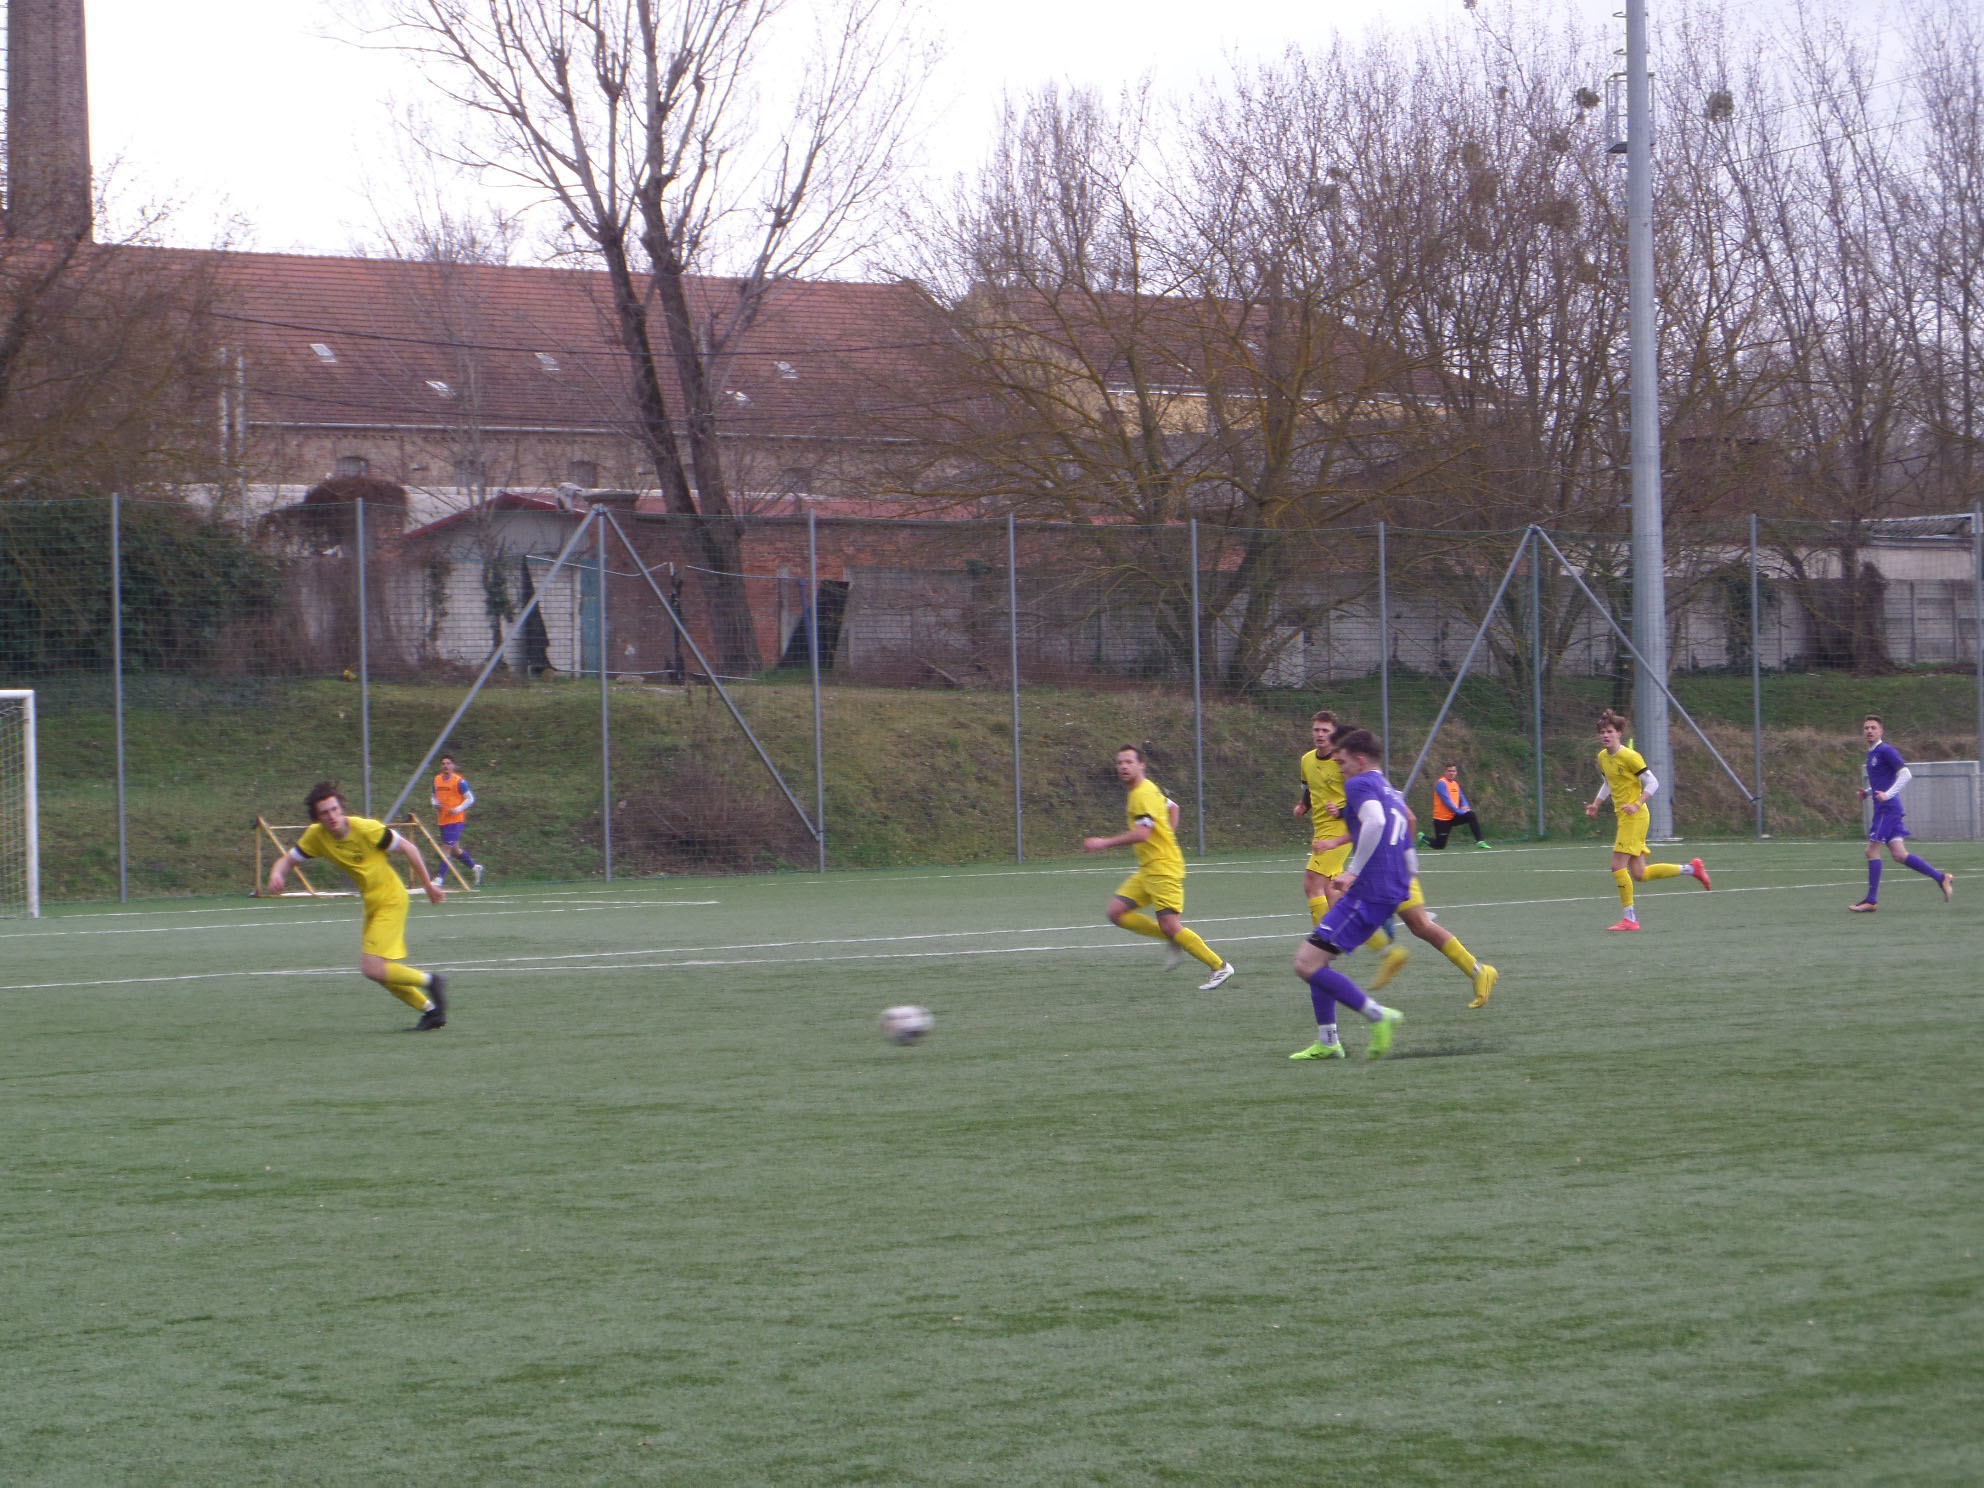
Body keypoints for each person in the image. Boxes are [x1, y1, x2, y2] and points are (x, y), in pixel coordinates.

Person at [266, 781, 451, 1030]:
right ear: (317, 818)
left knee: (372, 968)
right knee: (381, 972)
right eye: (325, 812)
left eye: (334, 809)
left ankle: (432, 981)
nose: (332, 816)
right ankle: (431, 1012)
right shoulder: (316, 836)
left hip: (391, 899)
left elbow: (409, 848)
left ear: (341, 807)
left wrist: (428, 885)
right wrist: (276, 874)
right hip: (372, 904)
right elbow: (287, 861)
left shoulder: (367, 829)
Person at [1288, 728, 1407, 1061]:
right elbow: (1403, 830)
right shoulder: (1388, 787)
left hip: (1369, 892)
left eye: (1341, 762)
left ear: (1359, 760)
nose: (1339, 769)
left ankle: (1379, 1016)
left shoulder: (1359, 783)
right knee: (1318, 960)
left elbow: (1375, 822)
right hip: (1387, 889)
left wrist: (1353, 871)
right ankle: (1328, 1040)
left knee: (1305, 963)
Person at [1085, 744, 1234, 990]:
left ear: (1141, 765)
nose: (1123, 767)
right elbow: (1173, 807)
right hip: (1149, 868)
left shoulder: (1142, 794)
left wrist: (1104, 842)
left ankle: (1219, 966)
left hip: (1163, 869)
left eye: (1129, 762)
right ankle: (1172, 937)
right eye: (1119, 762)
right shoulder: (1146, 789)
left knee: (1171, 925)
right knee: (1116, 913)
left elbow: (1142, 834)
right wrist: (1166, 838)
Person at [1584, 709, 1711, 931]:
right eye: (1602, 732)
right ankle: (1692, 869)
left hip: (1635, 816)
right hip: (1624, 817)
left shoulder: (1630, 757)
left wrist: (1637, 803)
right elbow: (1608, 783)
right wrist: (1596, 804)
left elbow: (1653, 783)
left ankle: (1630, 919)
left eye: (1610, 731)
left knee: (1617, 866)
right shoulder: (1603, 757)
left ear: (1619, 733)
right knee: (1640, 873)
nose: (1605, 735)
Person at [1849, 714, 1955, 912]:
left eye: (1873, 727)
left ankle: (1871, 901)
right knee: (1899, 854)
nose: (1869, 731)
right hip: (1887, 809)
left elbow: (1906, 774)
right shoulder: (1872, 753)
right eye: (1866, 728)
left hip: (1887, 810)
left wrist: (1887, 795)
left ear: (1881, 731)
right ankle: (1941, 878)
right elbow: (1882, 781)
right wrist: (1868, 793)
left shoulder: (1886, 750)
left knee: (1871, 851)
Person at [431, 752, 484, 886]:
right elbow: (433, 796)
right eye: (443, 763)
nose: (445, 766)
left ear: (453, 765)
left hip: (455, 820)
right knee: (455, 850)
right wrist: (435, 803)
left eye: (448, 763)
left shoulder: (459, 781)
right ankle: (475, 868)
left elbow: (470, 799)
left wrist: (458, 809)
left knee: (446, 849)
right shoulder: (437, 780)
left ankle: (439, 879)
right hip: (443, 819)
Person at [1426, 763, 1490, 849]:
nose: (1451, 773)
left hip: (1453, 817)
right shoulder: (1441, 783)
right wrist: (1460, 811)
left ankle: (1480, 841)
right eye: (1449, 771)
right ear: (1445, 772)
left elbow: (1462, 797)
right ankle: (1422, 838)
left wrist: (1466, 807)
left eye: (1453, 771)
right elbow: (1447, 801)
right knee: (1440, 845)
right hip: (1442, 819)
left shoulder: (1455, 784)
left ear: (1456, 772)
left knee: (1471, 815)